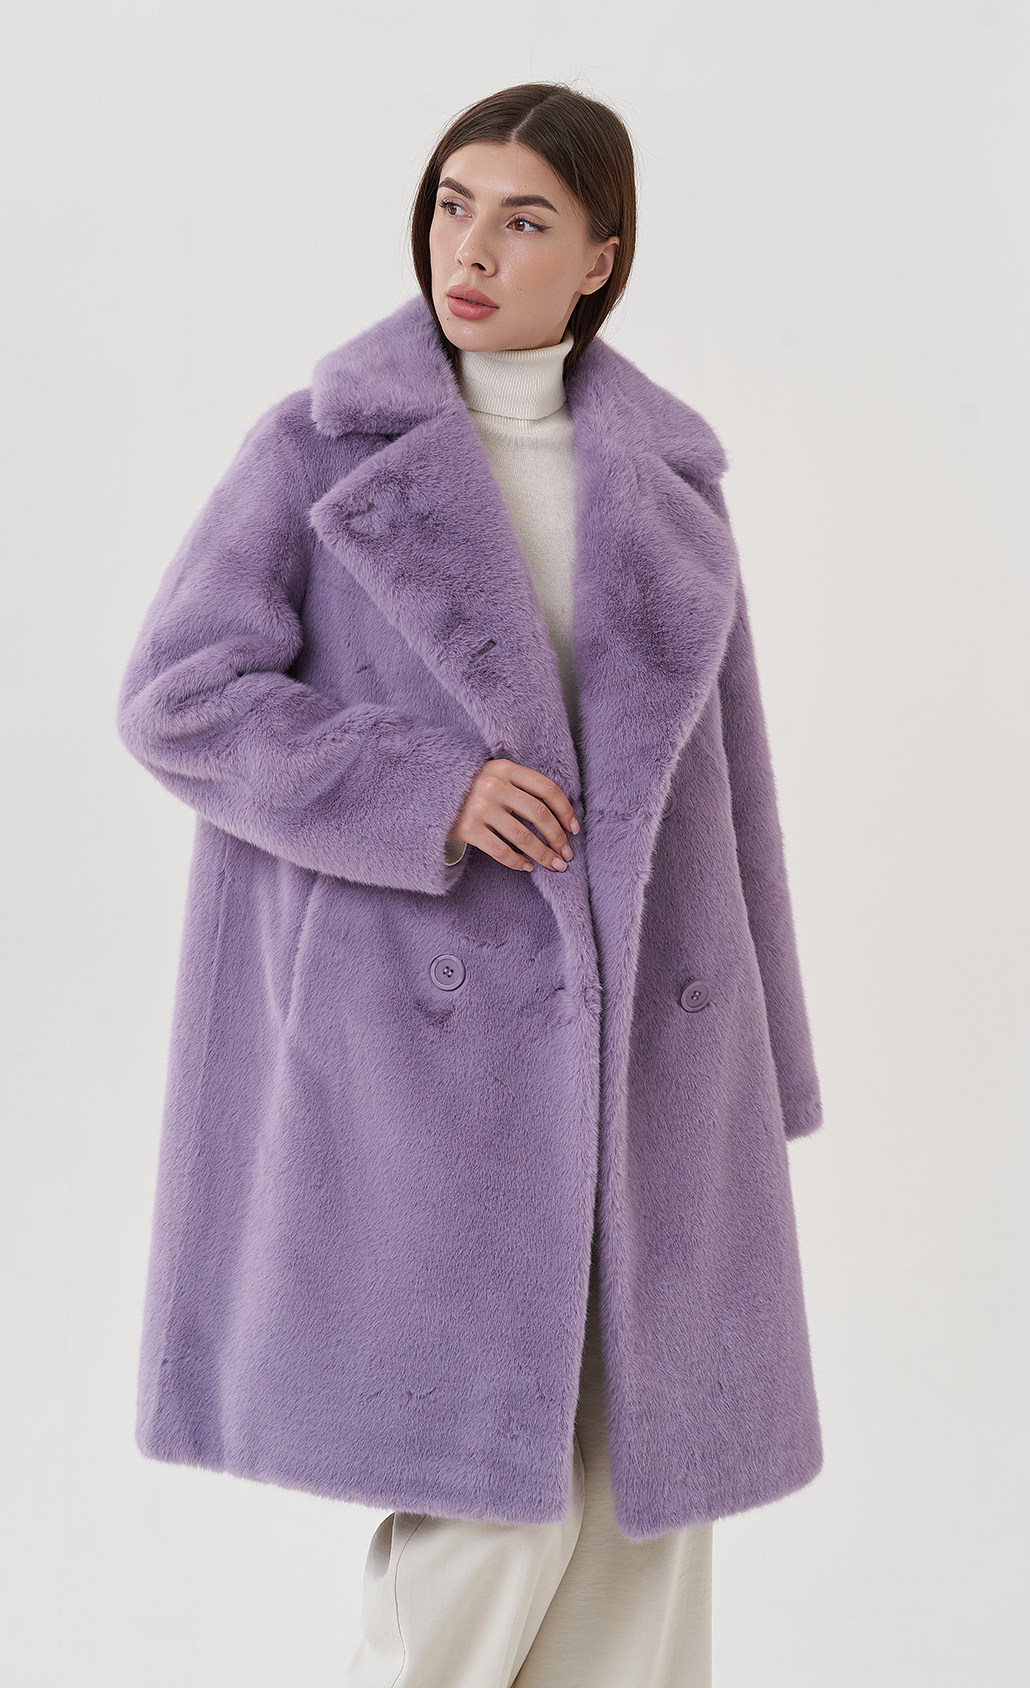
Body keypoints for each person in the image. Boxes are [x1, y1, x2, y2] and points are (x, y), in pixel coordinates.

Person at [117, 82, 824, 1688]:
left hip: (648, 1054)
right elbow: (178, 697)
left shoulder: (666, 476)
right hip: (419, 1055)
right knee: (484, 1516)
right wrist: (421, 788)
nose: (472, 251)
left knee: (643, 1519)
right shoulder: (316, 448)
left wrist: (761, 1069)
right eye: (452, 206)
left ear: (600, 258)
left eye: (522, 220)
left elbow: (734, 793)